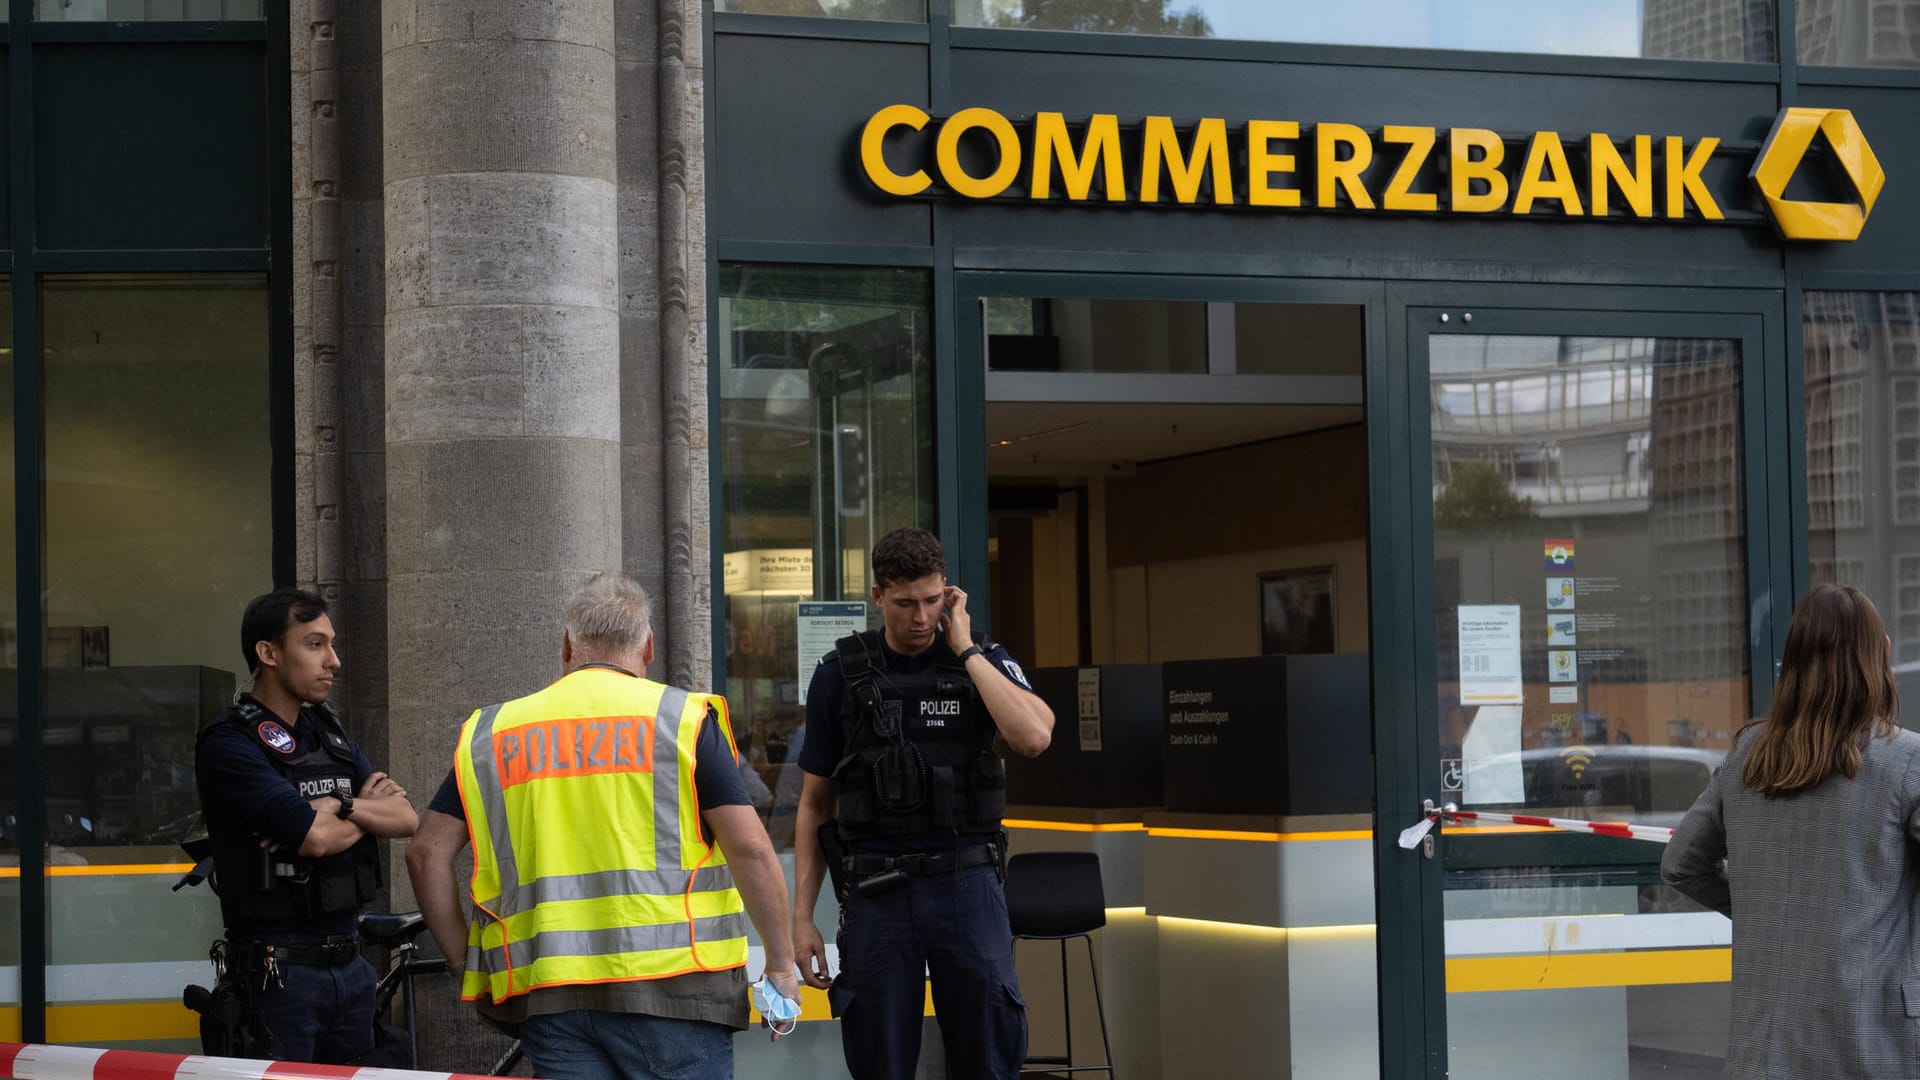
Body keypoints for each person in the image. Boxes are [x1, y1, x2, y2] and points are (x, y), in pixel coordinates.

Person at [406, 572, 801, 1080]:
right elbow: (749, 849)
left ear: (567, 645)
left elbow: (425, 853)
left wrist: (469, 969)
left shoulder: (495, 732)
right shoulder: (680, 720)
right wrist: (781, 966)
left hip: (549, 997)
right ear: (649, 647)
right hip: (673, 992)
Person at [791, 526, 1055, 1079]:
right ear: (878, 595)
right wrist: (802, 919)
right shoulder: (839, 674)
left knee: (987, 1047)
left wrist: (967, 650)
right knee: (879, 1056)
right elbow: (816, 804)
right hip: (877, 891)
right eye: (906, 602)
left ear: (949, 595)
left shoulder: (979, 659)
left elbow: (1034, 736)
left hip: (967, 883)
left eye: (933, 601)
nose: (920, 617)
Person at [1662, 583, 1918, 1079]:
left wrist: (1764, 914)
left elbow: (1680, 864)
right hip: (1876, 1044)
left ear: (1793, 662)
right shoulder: (1906, 761)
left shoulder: (1750, 753)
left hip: (1767, 1052)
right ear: (1881, 653)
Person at [194, 587, 419, 1063]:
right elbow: (314, 839)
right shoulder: (231, 741)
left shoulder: (328, 734)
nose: (333, 660)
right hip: (278, 975)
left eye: (331, 644)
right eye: (315, 644)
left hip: (352, 969)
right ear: (269, 653)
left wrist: (341, 806)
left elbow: (405, 817)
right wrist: (356, 807)